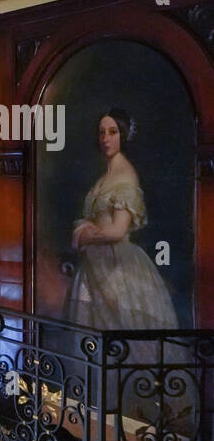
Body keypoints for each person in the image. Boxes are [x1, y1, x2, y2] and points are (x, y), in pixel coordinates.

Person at [63, 109, 178, 331]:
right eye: (102, 132)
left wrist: (85, 233)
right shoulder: (107, 174)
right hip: (94, 262)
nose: (105, 138)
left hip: (117, 265)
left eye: (113, 132)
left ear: (123, 135)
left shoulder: (125, 175)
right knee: (90, 334)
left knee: (119, 332)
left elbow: (118, 230)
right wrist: (84, 231)